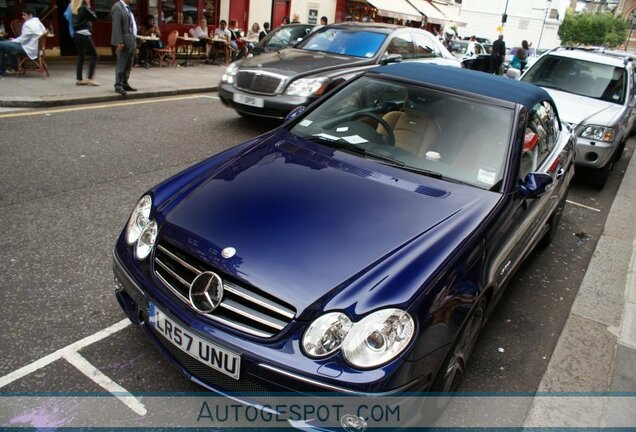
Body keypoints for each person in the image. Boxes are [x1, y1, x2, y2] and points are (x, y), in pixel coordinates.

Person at [0, 7, 45, 76]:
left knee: (1, 44)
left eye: (24, 15)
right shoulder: (39, 23)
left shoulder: (29, 24)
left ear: (30, 15)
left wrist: (13, 40)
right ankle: (15, 67)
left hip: (27, 48)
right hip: (35, 48)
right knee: (5, 45)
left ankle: (4, 70)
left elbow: (23, 39)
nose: (22, 17)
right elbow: (25, 38)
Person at [111, 0, 137, 95]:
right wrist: (119, 41)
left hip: (131, 40)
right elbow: (116, 26)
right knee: (121, 64)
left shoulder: (127, 8)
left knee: (129, 64)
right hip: (123, 41)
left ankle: (125, 83)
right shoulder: (117, 7)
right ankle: (118, 85)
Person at [71, 0, 99, 86]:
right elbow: (95, 18)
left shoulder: (74, 8)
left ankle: (79, 79)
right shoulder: (84, 7)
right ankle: (90, 78)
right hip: (85, 34)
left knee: (81, 57)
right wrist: (89, 7)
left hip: (77, 34)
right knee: (95, 55)